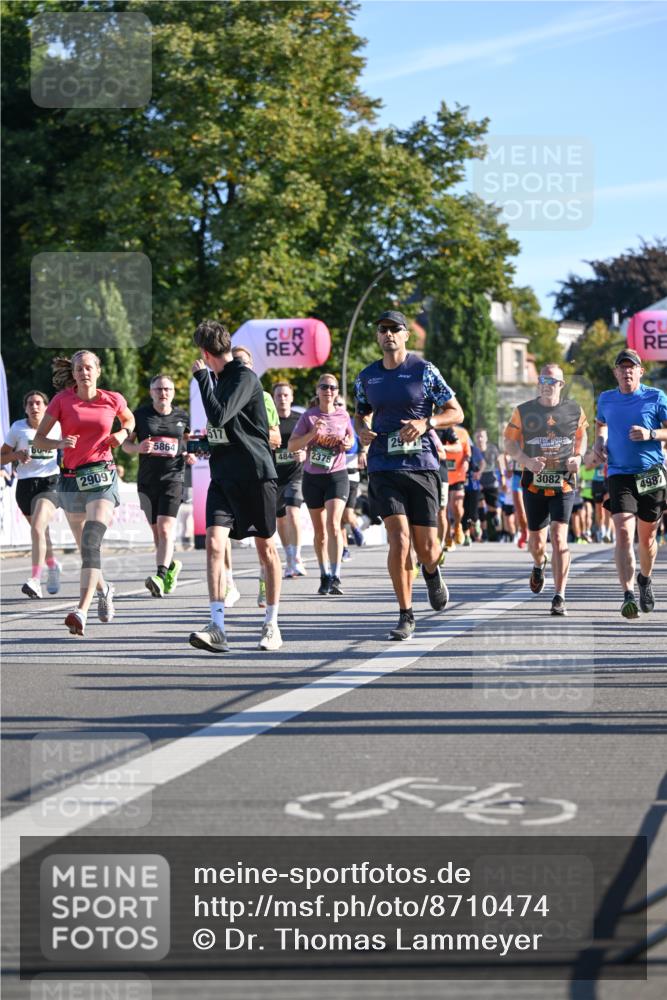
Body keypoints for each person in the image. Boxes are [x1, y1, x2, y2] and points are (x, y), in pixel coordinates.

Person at [354, 310, 463, 640]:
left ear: (405, 335)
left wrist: (427, 422)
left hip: (421, 465)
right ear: (377, 336)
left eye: (394, 329)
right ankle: (406, 614)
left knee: (427, 547)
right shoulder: (367, 377)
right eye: (382, 329)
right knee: (399, 539)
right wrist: (361, 429)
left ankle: (431, 570)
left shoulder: (424, 370)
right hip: (383, 466)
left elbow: (455, 412)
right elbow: (360, 414)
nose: (388, 334)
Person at [189, 320, 282, 652]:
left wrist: (201, 378)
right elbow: (221, 430)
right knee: (215, 545)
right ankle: (217, 626)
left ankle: (271, 623)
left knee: (266, 550)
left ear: (205, 353)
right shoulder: (219, 380)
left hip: (255, 476)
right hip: (223, 478)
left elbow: (219, 415)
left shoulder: (243, 376)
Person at [33, 352, 135, 636]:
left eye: (89, 367)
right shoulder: (62, 400)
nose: (84, 372)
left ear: (98, 371)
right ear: (74, 373)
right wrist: (59, 443)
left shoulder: (112, 399)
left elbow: (129, 419)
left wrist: (123, 433)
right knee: (86, 549)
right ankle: (105, 589)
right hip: (70, 480)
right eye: (79, 368)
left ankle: (81, 611)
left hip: (102, 476)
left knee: (91, 542)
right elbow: (39, 439)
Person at [504, 363, 588, 617]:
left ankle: (559, 595)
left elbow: (582, 436)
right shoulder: (523, 411)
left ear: (561, 384)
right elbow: (509, 442)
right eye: (542, 380)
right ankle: (539, 563)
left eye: (552, 381)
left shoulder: (574, 410)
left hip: (563, 483)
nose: (546, 385)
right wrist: (526, 461)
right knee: (536, 543)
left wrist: (578, 456)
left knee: (560, 538)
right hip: (534, 484)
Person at [594, 348, 667, 619]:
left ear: (640, 371)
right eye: (622, 367)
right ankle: (627, 595)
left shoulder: (656, 397)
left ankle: (645, 578)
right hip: (619, 473)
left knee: (647, 539)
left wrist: (651, 433)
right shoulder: (606, 398)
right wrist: (599, 441)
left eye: (631, 367)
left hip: (650, 473)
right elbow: (601, 424)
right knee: (624, 532)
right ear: (615, 372)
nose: (627, 371)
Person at [122, 374, 194, 597]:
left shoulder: (182, 416)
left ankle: (160, 577)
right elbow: (125, 444)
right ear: (151, 392)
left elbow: (189, 441)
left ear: (173, 392)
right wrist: (138, 448)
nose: (163, 393)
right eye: (159, 389)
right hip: (147, 481)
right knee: (157, 534)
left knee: (165, 528)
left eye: (167, 389)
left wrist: (190, 453)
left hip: (173, 478)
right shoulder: (140, 415)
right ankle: (170, 566)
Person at [288, 373, 354, 595]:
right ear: (317, 391)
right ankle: (324, 574)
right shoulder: (308, 416)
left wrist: (348, 443)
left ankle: (336, 576)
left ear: (337, 392)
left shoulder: (343, 415)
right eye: (324, 387)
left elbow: (352, 440)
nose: (328, 391)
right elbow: (292, 445)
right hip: (313, 478)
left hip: (337, 475)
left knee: (333, 525)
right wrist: (312, 434)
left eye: (332, 387)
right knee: (320, 532)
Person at [231, 344, 281, 607]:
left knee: (264, 543)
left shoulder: (264, 397)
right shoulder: (221, 395)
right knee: (217, 536)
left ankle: (265, 579)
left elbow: (276, 438)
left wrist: (246, 436)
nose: (240, 366)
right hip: (230, 476)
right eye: (235, 362)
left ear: (252, 367)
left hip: (258, 475)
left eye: (245, 362)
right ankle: (227, 584)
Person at [2, 390, 62, 598]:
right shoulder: (18, 428)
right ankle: (53, 566)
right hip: (25, 485)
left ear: (46, 407)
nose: (34, 407)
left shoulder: (57, 426)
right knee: (40, 532)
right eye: (30, 403)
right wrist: (16, 455)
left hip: (50, 482)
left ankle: (35, 579)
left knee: (37, 527)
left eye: (38, 403)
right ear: (25, 408)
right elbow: (2, 457)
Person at [272, 381, 307, 578]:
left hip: (295, 475)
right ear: (273, 398)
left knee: (293, 512)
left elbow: (311, 442)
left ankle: (297, 558)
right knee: (281, 519)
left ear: (292, 398)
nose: (282, 399)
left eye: (286, 395)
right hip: (275, 477)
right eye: (279, 395)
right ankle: (289, 556)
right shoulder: (268, 421)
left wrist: (305, 453)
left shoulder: (300, 420)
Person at [474, 428, 505, 542]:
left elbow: (499, 461)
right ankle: (484, 533)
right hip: (478, 482)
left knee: (493, 508)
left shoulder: (492, 448)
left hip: (492, 481)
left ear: (486, 438)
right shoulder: (473, 450)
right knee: (481, 506)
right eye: (478, 437)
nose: (480, 439)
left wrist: (502, 477)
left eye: (482, 436)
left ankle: (497, 521)